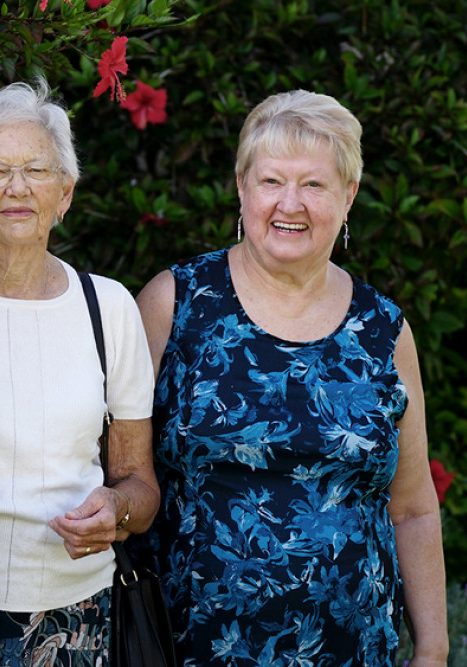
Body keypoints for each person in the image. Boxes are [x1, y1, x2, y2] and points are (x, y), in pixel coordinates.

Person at [135, 90, 448, 666]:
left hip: (353, 651)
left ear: (348, 196)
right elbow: (120, 465)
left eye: (314, 184)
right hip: (189, 646)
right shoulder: (175, 304)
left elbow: (413, 507)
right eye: (272, 180)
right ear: (241, 187)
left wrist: (433, 647)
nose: (290, 203)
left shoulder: (384, 331)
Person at [0, 80, 160, 666]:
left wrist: (114, 512)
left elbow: (140, 484)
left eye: (37, 170)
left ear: (64, 194)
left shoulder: (109, 308)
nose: (18, 188)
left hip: (81, 617)